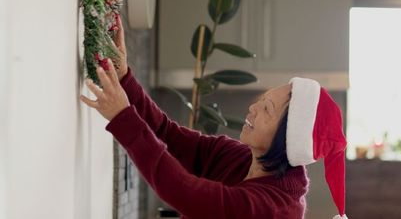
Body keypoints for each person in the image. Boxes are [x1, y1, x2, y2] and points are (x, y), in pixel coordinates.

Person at [80, 17, 349, 219]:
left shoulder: (275, 209)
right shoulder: (244, 157)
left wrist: (124, 117)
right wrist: (125, 77)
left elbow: (185, 193)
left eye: (267, 109)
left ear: (287, 139)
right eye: (262, 99)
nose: (253, 108)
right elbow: (169, 135)